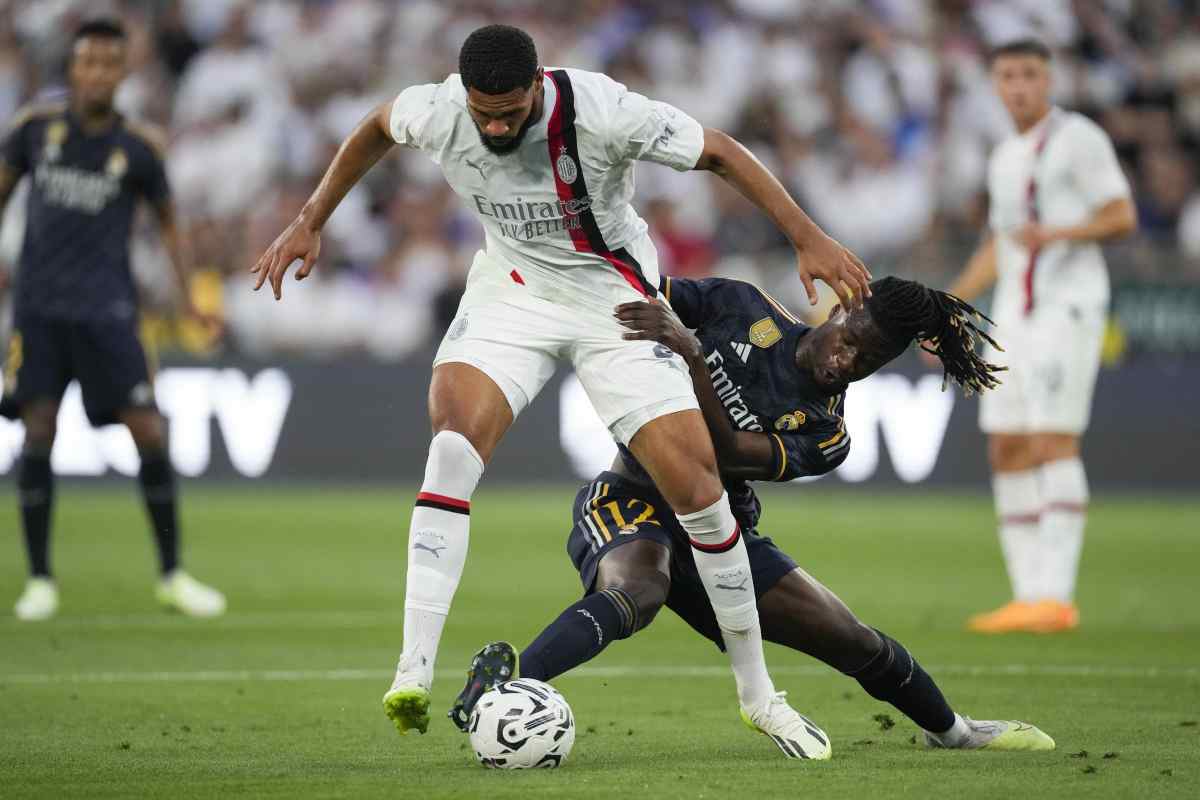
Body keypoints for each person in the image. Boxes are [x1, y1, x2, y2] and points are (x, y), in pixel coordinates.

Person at [251, 24, 872, 744]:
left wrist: (805, 234)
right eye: (483, 112)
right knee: (452, 446)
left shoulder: (602, 110)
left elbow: (721, 152)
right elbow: (373, 129)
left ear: (538, 86)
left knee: (700, 493)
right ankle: (411, 671)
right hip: (512, 292)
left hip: (616, 299)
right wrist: (309, 220)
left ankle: (759, 695)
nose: (492, 125)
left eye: (509, 113)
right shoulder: (441, 109)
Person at [454, 275, 1054, 758]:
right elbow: (635, 289)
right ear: (839, 311)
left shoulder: (827, 433)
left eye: (866, 362)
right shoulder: (743, 306)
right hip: (632, 498)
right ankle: (499, 689)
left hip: (725, 536)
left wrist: (691, 356)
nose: (845, 362)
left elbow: (731, 453)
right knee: (640, 587)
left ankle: (951, 731)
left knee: (853, 640)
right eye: (850, 341)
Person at [0, 19, 225, 620]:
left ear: (122, 73)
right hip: (39, 309)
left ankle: (173, 574)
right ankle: (41, 579)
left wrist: (189, 300)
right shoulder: (33, 130)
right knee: (38, 429)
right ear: (72, 69)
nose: (98, 73)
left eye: (109, 63)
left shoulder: (140, 147)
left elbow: (171, 225)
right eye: (88, 62)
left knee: (149, 430)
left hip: (110, 311)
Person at [941, 39, 1136, 634]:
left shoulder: (1078, 138)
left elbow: (1121, 214)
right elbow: (1001, 245)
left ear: (1047, 80)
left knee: (1053, 441)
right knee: (1006, 445)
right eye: (1007, 76)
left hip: (1067, 310)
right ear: (996, 85)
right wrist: (947, 309)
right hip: (1015, 319)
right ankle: (1028, 597)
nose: (1018, 86)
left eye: (1028, 74)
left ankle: (1056, 596)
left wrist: (1059, 233)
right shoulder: (1005, 156)